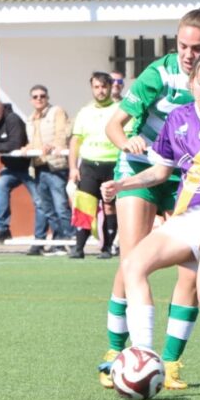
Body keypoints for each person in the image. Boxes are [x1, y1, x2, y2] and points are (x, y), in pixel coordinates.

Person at [100, 5, 200, 390]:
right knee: (132, 259)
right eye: (182, 45)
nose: (188, 54)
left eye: (197, 47)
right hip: (144, 165)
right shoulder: (160, 73)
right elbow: (114, 124)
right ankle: (119, 353)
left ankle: (168, 363)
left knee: (192, 276)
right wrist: (127, 146)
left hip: (194, 178)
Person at [0, 96, 47, 255]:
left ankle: (39, 241)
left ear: (2, 108)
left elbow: (15, 144)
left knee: (40, 202)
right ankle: (2, 229)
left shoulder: (13, 119)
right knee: (1, 185)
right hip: (11, 167)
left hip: (29, 167)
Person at [67, 72, 121, 259]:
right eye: (96, 87)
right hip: (89, 165)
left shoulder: (119, 109)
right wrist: (73, 168)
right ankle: (79, 248)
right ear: (92, 89)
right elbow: (75, 141)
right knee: (84, 205)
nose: (100, 91)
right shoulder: (85, 112)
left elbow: (127, 135)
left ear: (110, 87)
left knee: (109, 207)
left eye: (104, 86)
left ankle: (107, 248)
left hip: (112, 165)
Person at [24, 85, 73, 256]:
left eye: (42, 96)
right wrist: (27, 148)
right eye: (35, 97)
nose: (39, 99)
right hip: (38, 167)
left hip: (56, 166)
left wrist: (53, 145)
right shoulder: (30, 119)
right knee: (48, 209)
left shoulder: (56, 112)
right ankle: (59, 242)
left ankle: (73, 241)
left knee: (61, 207)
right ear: (31, 100)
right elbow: (34, 142)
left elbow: (63, 133)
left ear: (47, 97)